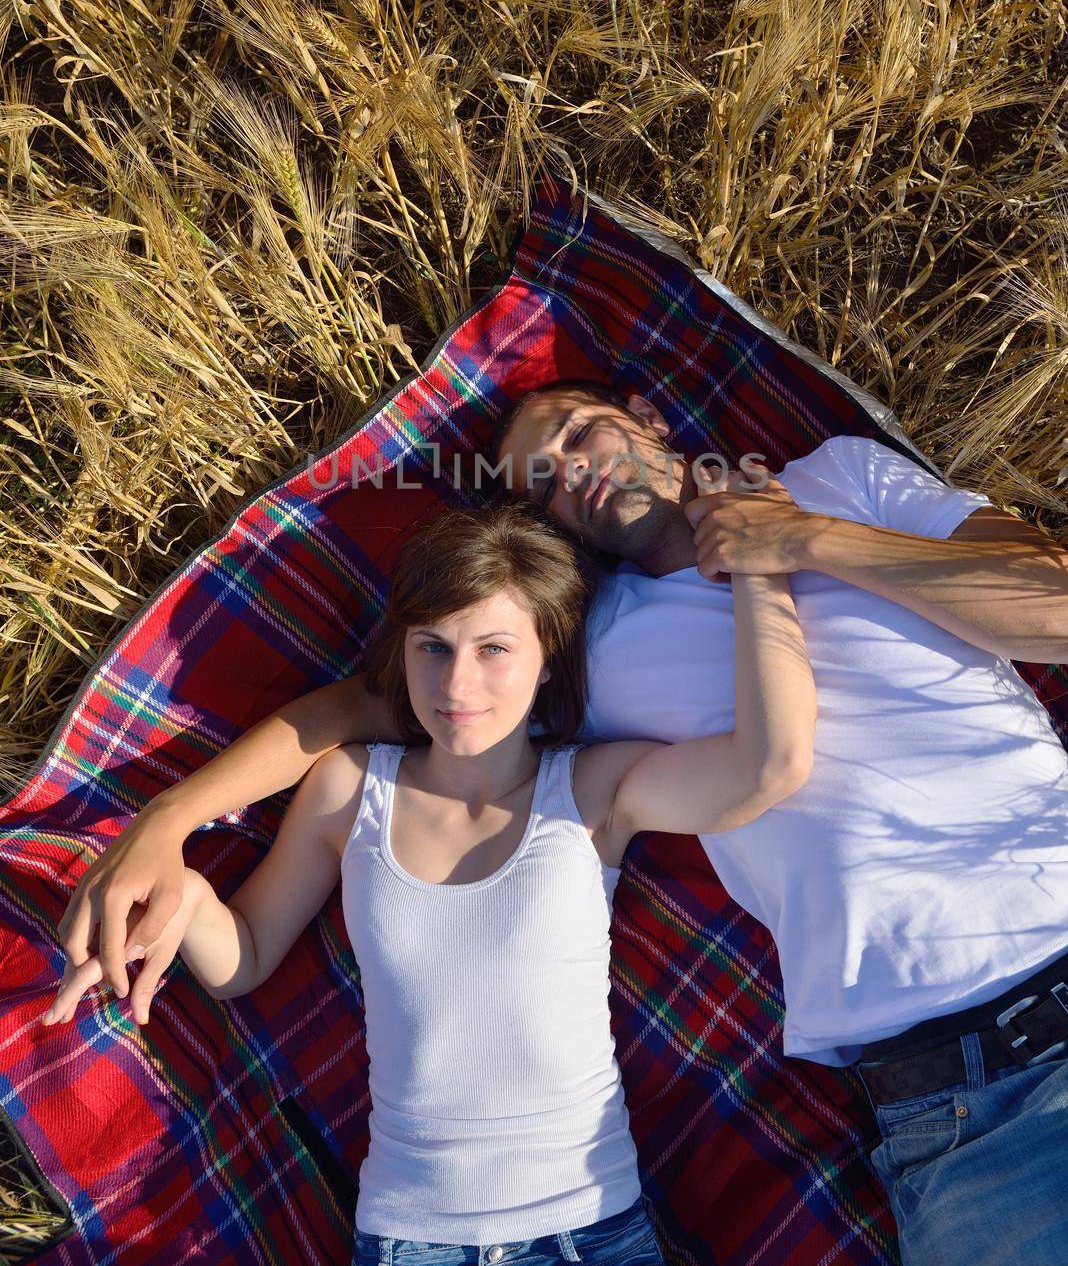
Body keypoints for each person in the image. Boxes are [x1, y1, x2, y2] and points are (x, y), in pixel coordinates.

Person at [53, 376, 1068, 1265]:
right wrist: (170, 819)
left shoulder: (841, 477)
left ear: (650, 418)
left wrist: (801, 538)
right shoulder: (584, 644)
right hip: (959, 1111)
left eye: (578, 434)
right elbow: (357, 709)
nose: (568, 473)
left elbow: (1055, 610)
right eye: (539, 481)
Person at [44, 488, 818, 1264]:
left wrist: (760, 566)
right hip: (412, 1241)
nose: (455, 686)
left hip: (593, 1229)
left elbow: (769, 765)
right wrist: (188, 898)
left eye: (494, 649)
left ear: (549, 658)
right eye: (433, 647)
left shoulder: (593, 791)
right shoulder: (351, 789)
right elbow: (242, 960)